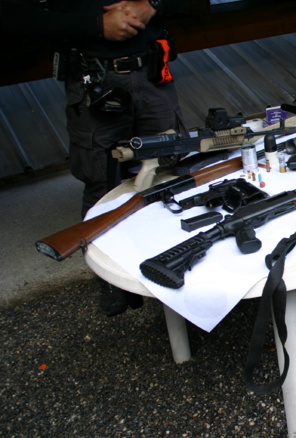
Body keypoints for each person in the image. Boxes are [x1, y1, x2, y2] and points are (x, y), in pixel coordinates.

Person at [1, 0, 188, 316]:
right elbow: (14, 16)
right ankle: (110, 274)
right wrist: (95, 24)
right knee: (100, 180)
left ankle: (173, 260)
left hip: (152, 73)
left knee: (171, 171)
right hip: (92, 79)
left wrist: (152, 4)